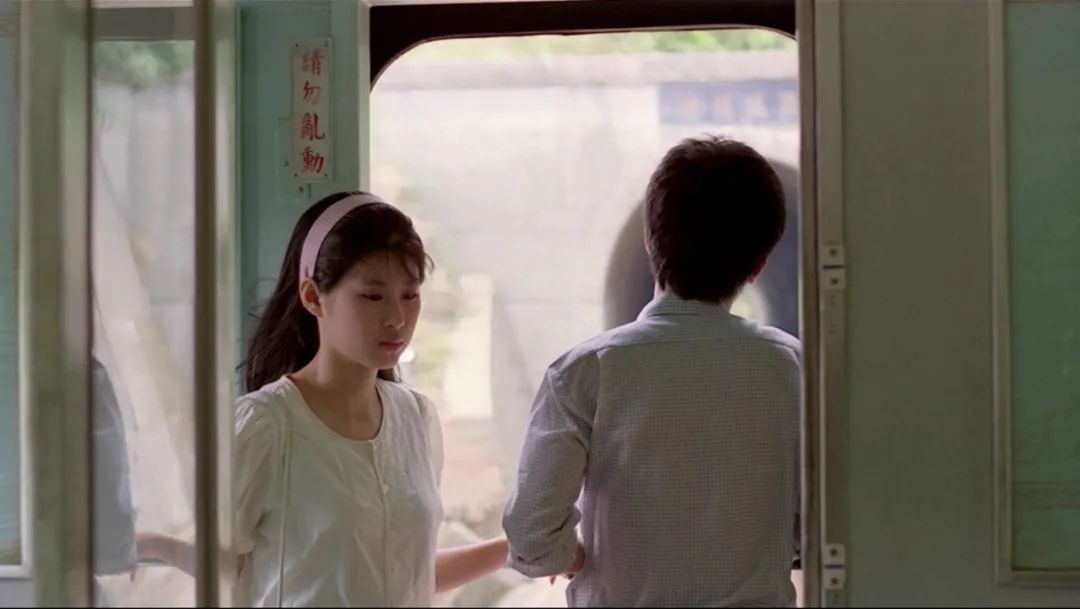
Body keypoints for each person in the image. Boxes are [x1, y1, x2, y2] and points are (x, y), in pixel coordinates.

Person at [138, 191, 510, 606]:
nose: (397, 318)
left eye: (410, 295)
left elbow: (414, 573)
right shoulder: (268, 425)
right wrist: (151, 546)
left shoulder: (416, 418)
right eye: (373, 296)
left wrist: (516, 549)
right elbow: (231, 563)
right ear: (313, 297)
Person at [503, 136, 801, 607]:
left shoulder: (584, 373)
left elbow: (531, 536)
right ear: (758, 266)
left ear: (649, 242)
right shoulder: (795, 370)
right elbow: (818, 522)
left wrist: (574, 555)